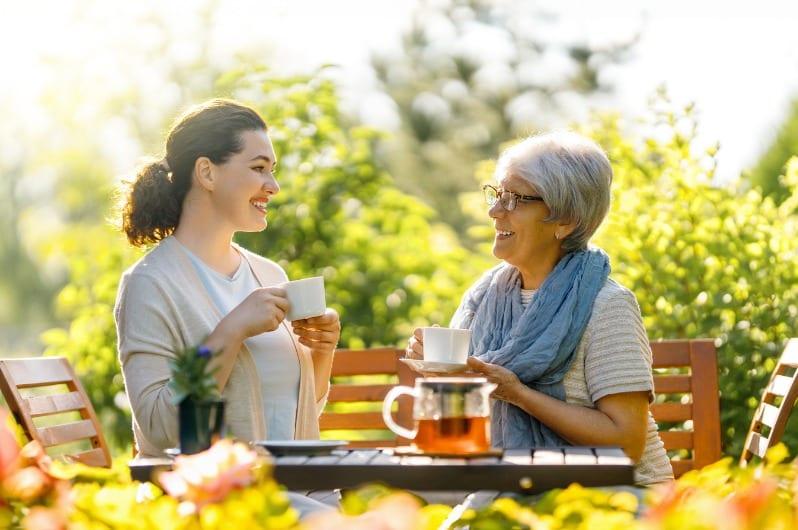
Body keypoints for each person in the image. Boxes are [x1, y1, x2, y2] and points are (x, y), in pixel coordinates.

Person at [406, 131, 673, 486]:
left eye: (515, 199)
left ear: (565, 221)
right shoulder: (484, 297)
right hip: (514, 484)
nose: (494, 211)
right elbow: (467, 415)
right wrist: (443, 373)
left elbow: (627, 443)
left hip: (615, 499)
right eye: (498, 194)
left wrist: (518, 394)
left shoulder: (607, 305)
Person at [114, 99, 341, 514]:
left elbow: (300, 414)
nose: (273, 185)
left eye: (272, 170)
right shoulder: (151, 285)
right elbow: (161, 430)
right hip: (221, 506)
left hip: (305, 492)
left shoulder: (268, 274)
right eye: (258, 168)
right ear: (207, 173)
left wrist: (320, 352)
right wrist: (231, 331)